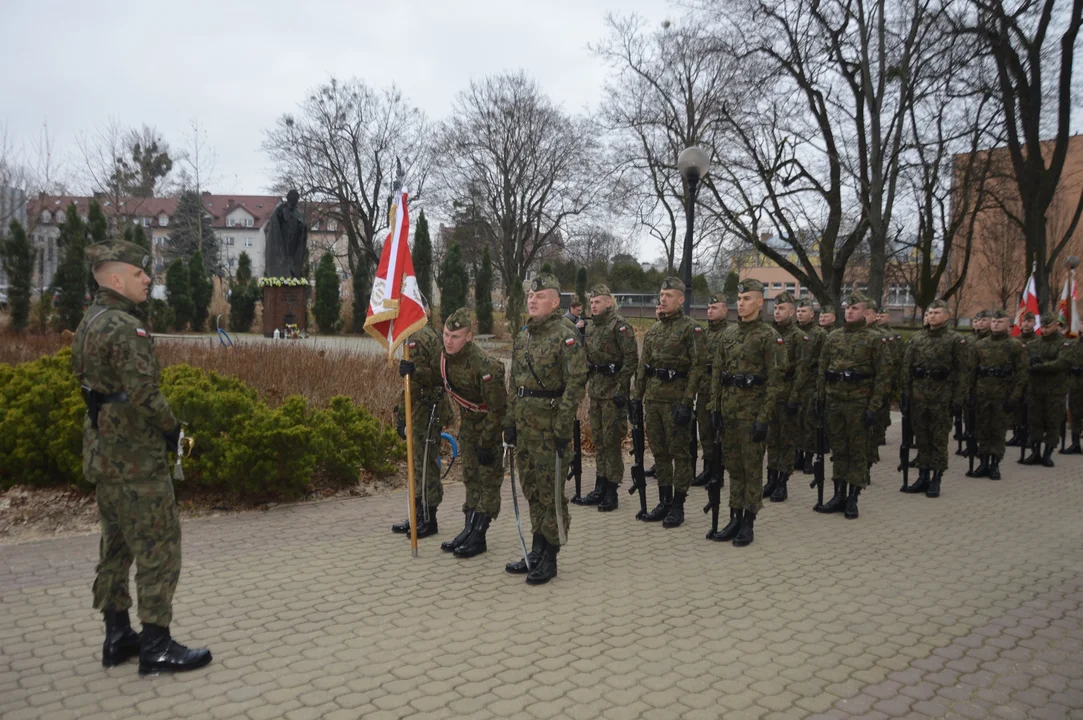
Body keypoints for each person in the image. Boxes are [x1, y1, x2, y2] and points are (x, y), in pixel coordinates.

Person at [72, 240, 211, 676]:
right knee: (158, 546)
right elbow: (145, 394)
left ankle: (117, 635)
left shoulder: (88, 322)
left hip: (105, 455)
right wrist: (173, 430)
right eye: (139, 273)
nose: (147, 279)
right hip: (136, 457)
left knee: (114, 546)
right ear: (115, 279)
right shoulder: (124, 327)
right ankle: (156, 644)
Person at [503, 274, 588, 584]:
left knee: (550, 492)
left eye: (540, 296)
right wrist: (509, 423)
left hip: (550, 428)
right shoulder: (523, 335)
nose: (532, 299)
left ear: (555, 303)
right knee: (532, 490)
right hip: (525, 427)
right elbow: (515, 384)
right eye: (530, 295)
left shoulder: (565, 335)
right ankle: (536, 549)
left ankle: (550, 556)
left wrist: (564, 425)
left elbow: (576, 382)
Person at [708, 279, 783, 545]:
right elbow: (717, 373)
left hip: (752, 415)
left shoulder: (768, 336)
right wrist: (714, 407)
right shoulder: (727, 334)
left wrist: (763, 419)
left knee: (751, 470)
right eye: (739, 299)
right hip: (728, 412)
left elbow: (774, 382)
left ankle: (748, 522)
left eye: (747, 299)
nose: (741, 303)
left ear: (760, 302)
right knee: (733, 469)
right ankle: (734, 517)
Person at [633, 277, 705, 528]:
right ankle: (663, 501)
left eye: (669, 295)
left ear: (681, 299)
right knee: (660, 453)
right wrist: (636, 397)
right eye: (661, 294)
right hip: (653, 400)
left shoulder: (691, 329)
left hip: (676, 400)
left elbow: (697, 368)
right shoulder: (653, 330)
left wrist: (688, 401)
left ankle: (678, 505)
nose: (663, 299)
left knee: (680, 454)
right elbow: (644, 367)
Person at [438, 309, 508, 557]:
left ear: (469, 337)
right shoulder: (446, 358)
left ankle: (479, 534)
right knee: (470, 477)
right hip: (468, 428)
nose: (448, 341)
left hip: (488, 428)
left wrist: (488, 442)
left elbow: (499, 409)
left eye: (455, 336)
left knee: (488, 481)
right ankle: (468, 528)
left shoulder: (486, 366)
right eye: (446, 334)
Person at [814, 292, 890, 519]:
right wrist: (821, 399)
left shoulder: (874, 339)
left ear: (866, 312)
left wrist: (873, 407)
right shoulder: (833, 337)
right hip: (835, 402)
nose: (849, 311)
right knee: (839, 451)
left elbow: (883, 377)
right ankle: (838, 494)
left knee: (857, 452)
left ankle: (853, 498)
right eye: (847, 307)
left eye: (854, 308)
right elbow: (822, 369)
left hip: (859, 403)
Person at [393, 306, 454, 538]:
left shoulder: (429, 337)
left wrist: (415, 370)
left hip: (430, 409)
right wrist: (401, 417)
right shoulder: (409, 337)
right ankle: (417, 515)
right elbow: (408, 386)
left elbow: (443, 373)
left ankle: (429, 517)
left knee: (426, 465)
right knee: (416, 466)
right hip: (415, 411)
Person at [576, 284, 638, 511]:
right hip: (596, 392)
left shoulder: (619, 327)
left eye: (598, 302)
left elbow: (631, 360)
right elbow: (586, 360)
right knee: (599, 441)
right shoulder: (591, 328)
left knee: (611, 442)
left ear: (608, 303)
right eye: (591, 302)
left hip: (613, 393)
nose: (593, 306)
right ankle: (600, 486)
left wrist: (622, 389)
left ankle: (612, 490)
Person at [900, 299, 968, 497]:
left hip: (942, 397)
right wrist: (905, 394)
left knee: (938, 439)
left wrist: (957, 400)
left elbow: (963, 372)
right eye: (929, 313)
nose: (932, 316)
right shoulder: (916, 338)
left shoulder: (955, 340)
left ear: (947, 316)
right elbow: (907, 369)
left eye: (937, 313)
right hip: (919, 396)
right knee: (921, 438)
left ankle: (936, 478)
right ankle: (922, 476)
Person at [966, 310, 1028, 479]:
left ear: (1008, 325)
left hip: (1003, 394)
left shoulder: (1015, 346)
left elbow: (1022, 374)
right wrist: (969, 393)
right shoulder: (980, 345)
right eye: (993, 321)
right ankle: (983, 462)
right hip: (983, 393)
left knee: (998, 431)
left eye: (999, 322)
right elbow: (972, 371)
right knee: (983, 429)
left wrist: (1014, 397)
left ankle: (995, 463)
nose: (995, 324)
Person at [763, 291, 804, 502]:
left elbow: (801, 371)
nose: (777, 312)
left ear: (792, 311)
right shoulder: (770, 333)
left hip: (787, 394)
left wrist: (795, 398)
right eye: (776, 308)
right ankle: (770, 479)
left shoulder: (798, 336)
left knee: (786, 440)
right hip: (772, 395)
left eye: (781, 309)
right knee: (772, 439)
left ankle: (782, 482)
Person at [1020, 313, 1071, 467]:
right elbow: (1024, 363)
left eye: (1048, 326)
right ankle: (1035, 452)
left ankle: (1047, 453)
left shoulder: (1064, 344)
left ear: (1056, 325)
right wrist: (1033, 365)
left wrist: (1038, 366)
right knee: (1035, 422)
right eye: (1042, 327)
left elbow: (1061, 364)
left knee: (1052, 423)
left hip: (1055, 391)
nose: (1045, 329)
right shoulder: (1033, 344)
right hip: (1035, 389)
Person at [692, 293, 729, 487]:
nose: (710, 311)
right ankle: (707, 468)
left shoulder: (729, 333)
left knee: (718, 432)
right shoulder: (704, 333)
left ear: (724, 310)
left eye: (714, 308)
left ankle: (718, 471)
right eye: (708, 308)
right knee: (704, 430)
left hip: (721, 391)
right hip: (704, 388)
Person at [795, 300, 828, 474]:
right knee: (795, 422)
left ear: (811, 314)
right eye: (798, 310)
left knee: (809, 422)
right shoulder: (793, 332)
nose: (799, 313)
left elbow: (823, 362)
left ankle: (808, 458)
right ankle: (797, 455)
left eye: (803, 311)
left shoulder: (820, 334)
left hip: (810, 384)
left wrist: (819, 388)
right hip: (794, 385)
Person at [1008, 312, 1040, 446]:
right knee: (1017, 408)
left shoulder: (1038, 341)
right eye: (1024, 321)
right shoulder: (1015, 340)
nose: (1026, 324)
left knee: (1030, 409)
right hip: (1017, 379)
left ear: (1034, 323)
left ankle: (1028, 436)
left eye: (1029, 321)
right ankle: (1016, 435)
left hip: (1032, 379)